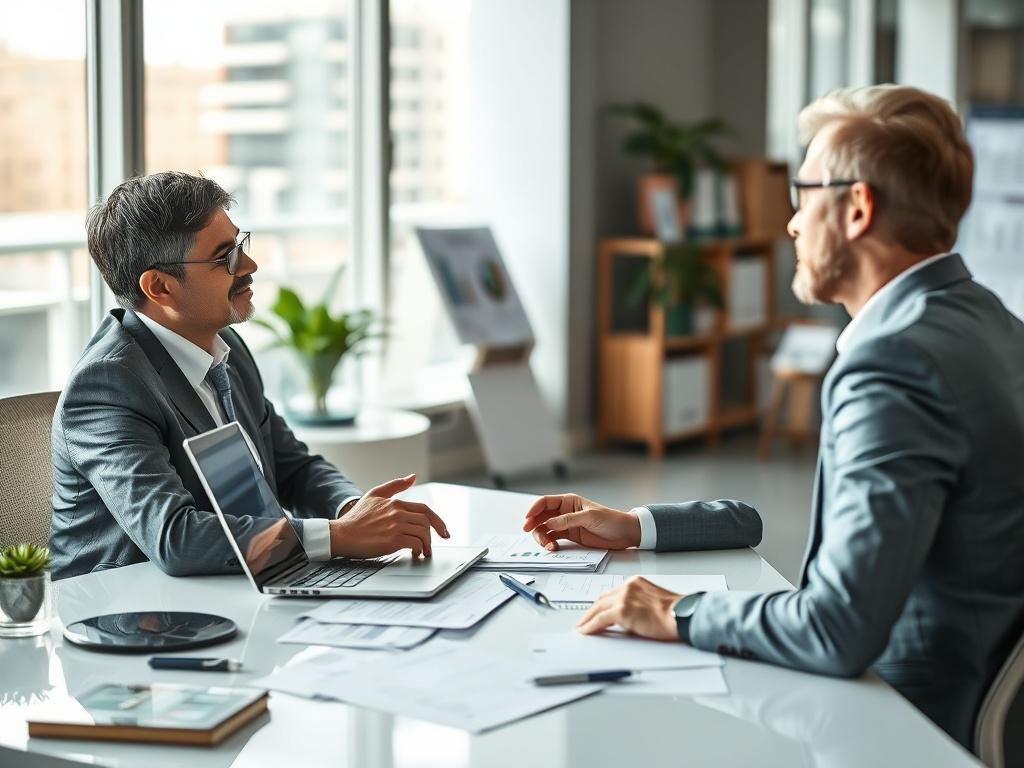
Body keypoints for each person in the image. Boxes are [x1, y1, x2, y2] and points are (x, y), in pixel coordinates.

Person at [523, 85, 1024, 747]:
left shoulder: (894, 365)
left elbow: (836, 629)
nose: (789, 223)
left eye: (802, 194)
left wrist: (680, 613)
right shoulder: (988, 322)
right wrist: (636, 525)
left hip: (904, 722)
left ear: (855, 208)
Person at [50, 172, 448, 580]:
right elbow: (175, 537)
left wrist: (354, 512)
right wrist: (337, 536)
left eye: (240, 244)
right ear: (160, 287)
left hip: (246, 583)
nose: (250, 264)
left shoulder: (226, 348)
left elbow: (293, 468)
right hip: (130, 612)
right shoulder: (107, 387)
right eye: (225, 257)